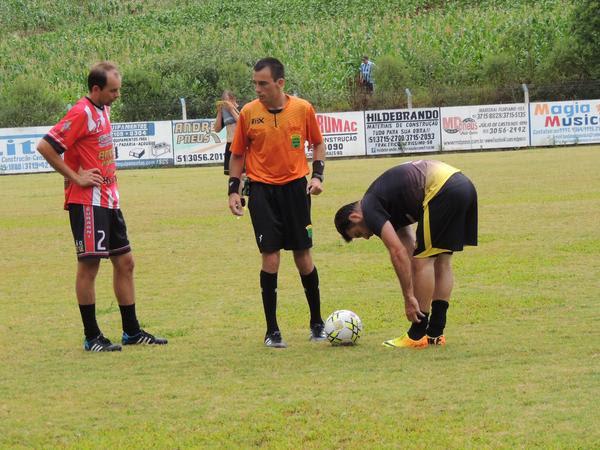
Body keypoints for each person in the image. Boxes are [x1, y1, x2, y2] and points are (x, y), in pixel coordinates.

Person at [36, 61, 168, 352]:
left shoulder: (103, 109)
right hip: (87, 203)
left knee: (126, 263)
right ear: (96, 89)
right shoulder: (80, 112)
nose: (117, 96)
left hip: (109, 201)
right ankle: (92, 336)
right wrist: (75, 177)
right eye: (112, 90)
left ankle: (131, 332)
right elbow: (46, 146)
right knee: (89, 266)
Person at [227, 57, 327, 348]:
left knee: (303, 256)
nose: (257, 89)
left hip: (296, 190)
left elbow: (318, 144)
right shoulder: (247, 113)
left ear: (279, 83)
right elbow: (237, 154)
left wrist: (317, 177)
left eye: (263, 83)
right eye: (255, 83)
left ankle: (317, 323)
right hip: (261, 193)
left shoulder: (302, 109)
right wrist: (234, 191)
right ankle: (272, 331)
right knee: (270, 257)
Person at [334, 160, 477, 348]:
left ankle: (416, 335)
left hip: (442, 190)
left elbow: (397, 251)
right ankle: (435, 333)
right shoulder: (388, 205)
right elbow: (408, 246)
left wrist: (409, 297)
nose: (367, 237)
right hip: (463, 184)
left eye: (359, 233)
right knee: (441, 262)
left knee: (423, 262)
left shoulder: (370, 206)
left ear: (355, 217)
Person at [214, 90, 240, 175]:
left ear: (233, 99)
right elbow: (217, 129)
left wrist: (231, 109)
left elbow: (242, 123)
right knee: (231, 174)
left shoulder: (242, 109)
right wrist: (219, 112)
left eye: (227, 101)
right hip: (229, 144)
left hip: (239, 143)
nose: (225, 104)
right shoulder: (225, 112)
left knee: (242, 174)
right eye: (223, 101)